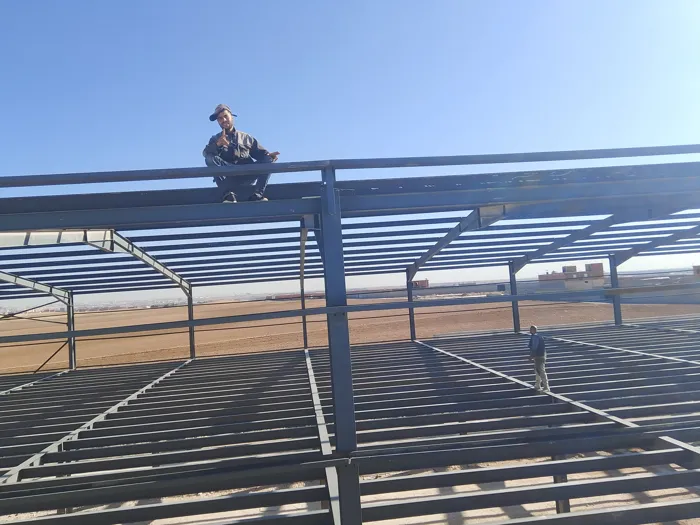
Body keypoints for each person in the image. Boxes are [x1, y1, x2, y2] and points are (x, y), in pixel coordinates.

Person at [203, 104, 280, 203]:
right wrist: (218, 144)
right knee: (210, 158)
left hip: (247, 174)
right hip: (227, 178)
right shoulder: (215, 139)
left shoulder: (246, 138)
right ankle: (228, 195)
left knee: (268, 159)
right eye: (220, 118)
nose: (224, 120)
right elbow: (206, 154)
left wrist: (270, 157)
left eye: (225, 116)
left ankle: (258, 195)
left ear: (231, 116)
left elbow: (262, 155)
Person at [528, 325, 549, 392]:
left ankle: (546, 387)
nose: (529, 331)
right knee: (537, 371)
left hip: (539, 356)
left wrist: (531, 356)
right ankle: (537, 385)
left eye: (531, 329)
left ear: (534, 330)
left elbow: (534, 347)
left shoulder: (535, 337)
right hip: (541, 355)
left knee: (541, 371)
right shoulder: (538, 336)